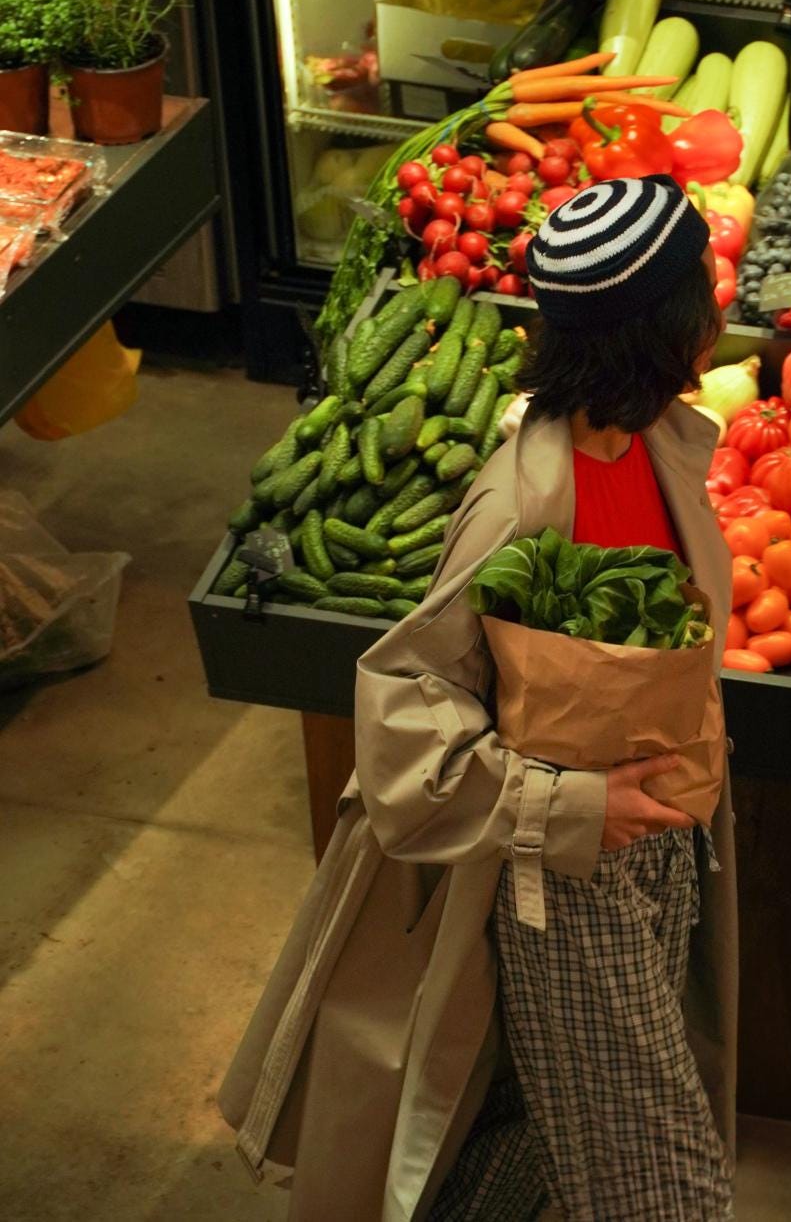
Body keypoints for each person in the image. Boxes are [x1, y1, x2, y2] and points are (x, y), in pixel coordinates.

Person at [218, 175, 737, 1222]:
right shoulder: (522, 499)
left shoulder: (656, 441)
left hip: (661, 853)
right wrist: (576, 811)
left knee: (556, 1136)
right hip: (569, 884)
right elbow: (407, 713)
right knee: (663, 1181)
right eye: (705, 288)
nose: (722, 305)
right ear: (667, 325)